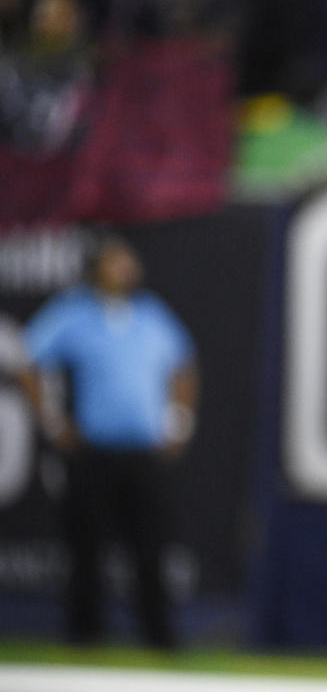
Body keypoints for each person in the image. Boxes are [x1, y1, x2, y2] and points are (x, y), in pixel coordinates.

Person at [19, 232, 198, 649]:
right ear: (96, 267)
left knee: (151, 547)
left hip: (143, 453)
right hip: (92, 453)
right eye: (115, 261)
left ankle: (159, 639)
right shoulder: (72, 313)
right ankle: (85, 637)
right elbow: (28, 361)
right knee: (86, 547)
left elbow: (183, 366)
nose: (125, 268)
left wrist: (179, 421)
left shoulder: (151, 314)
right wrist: (52, 422)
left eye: (128, 261)